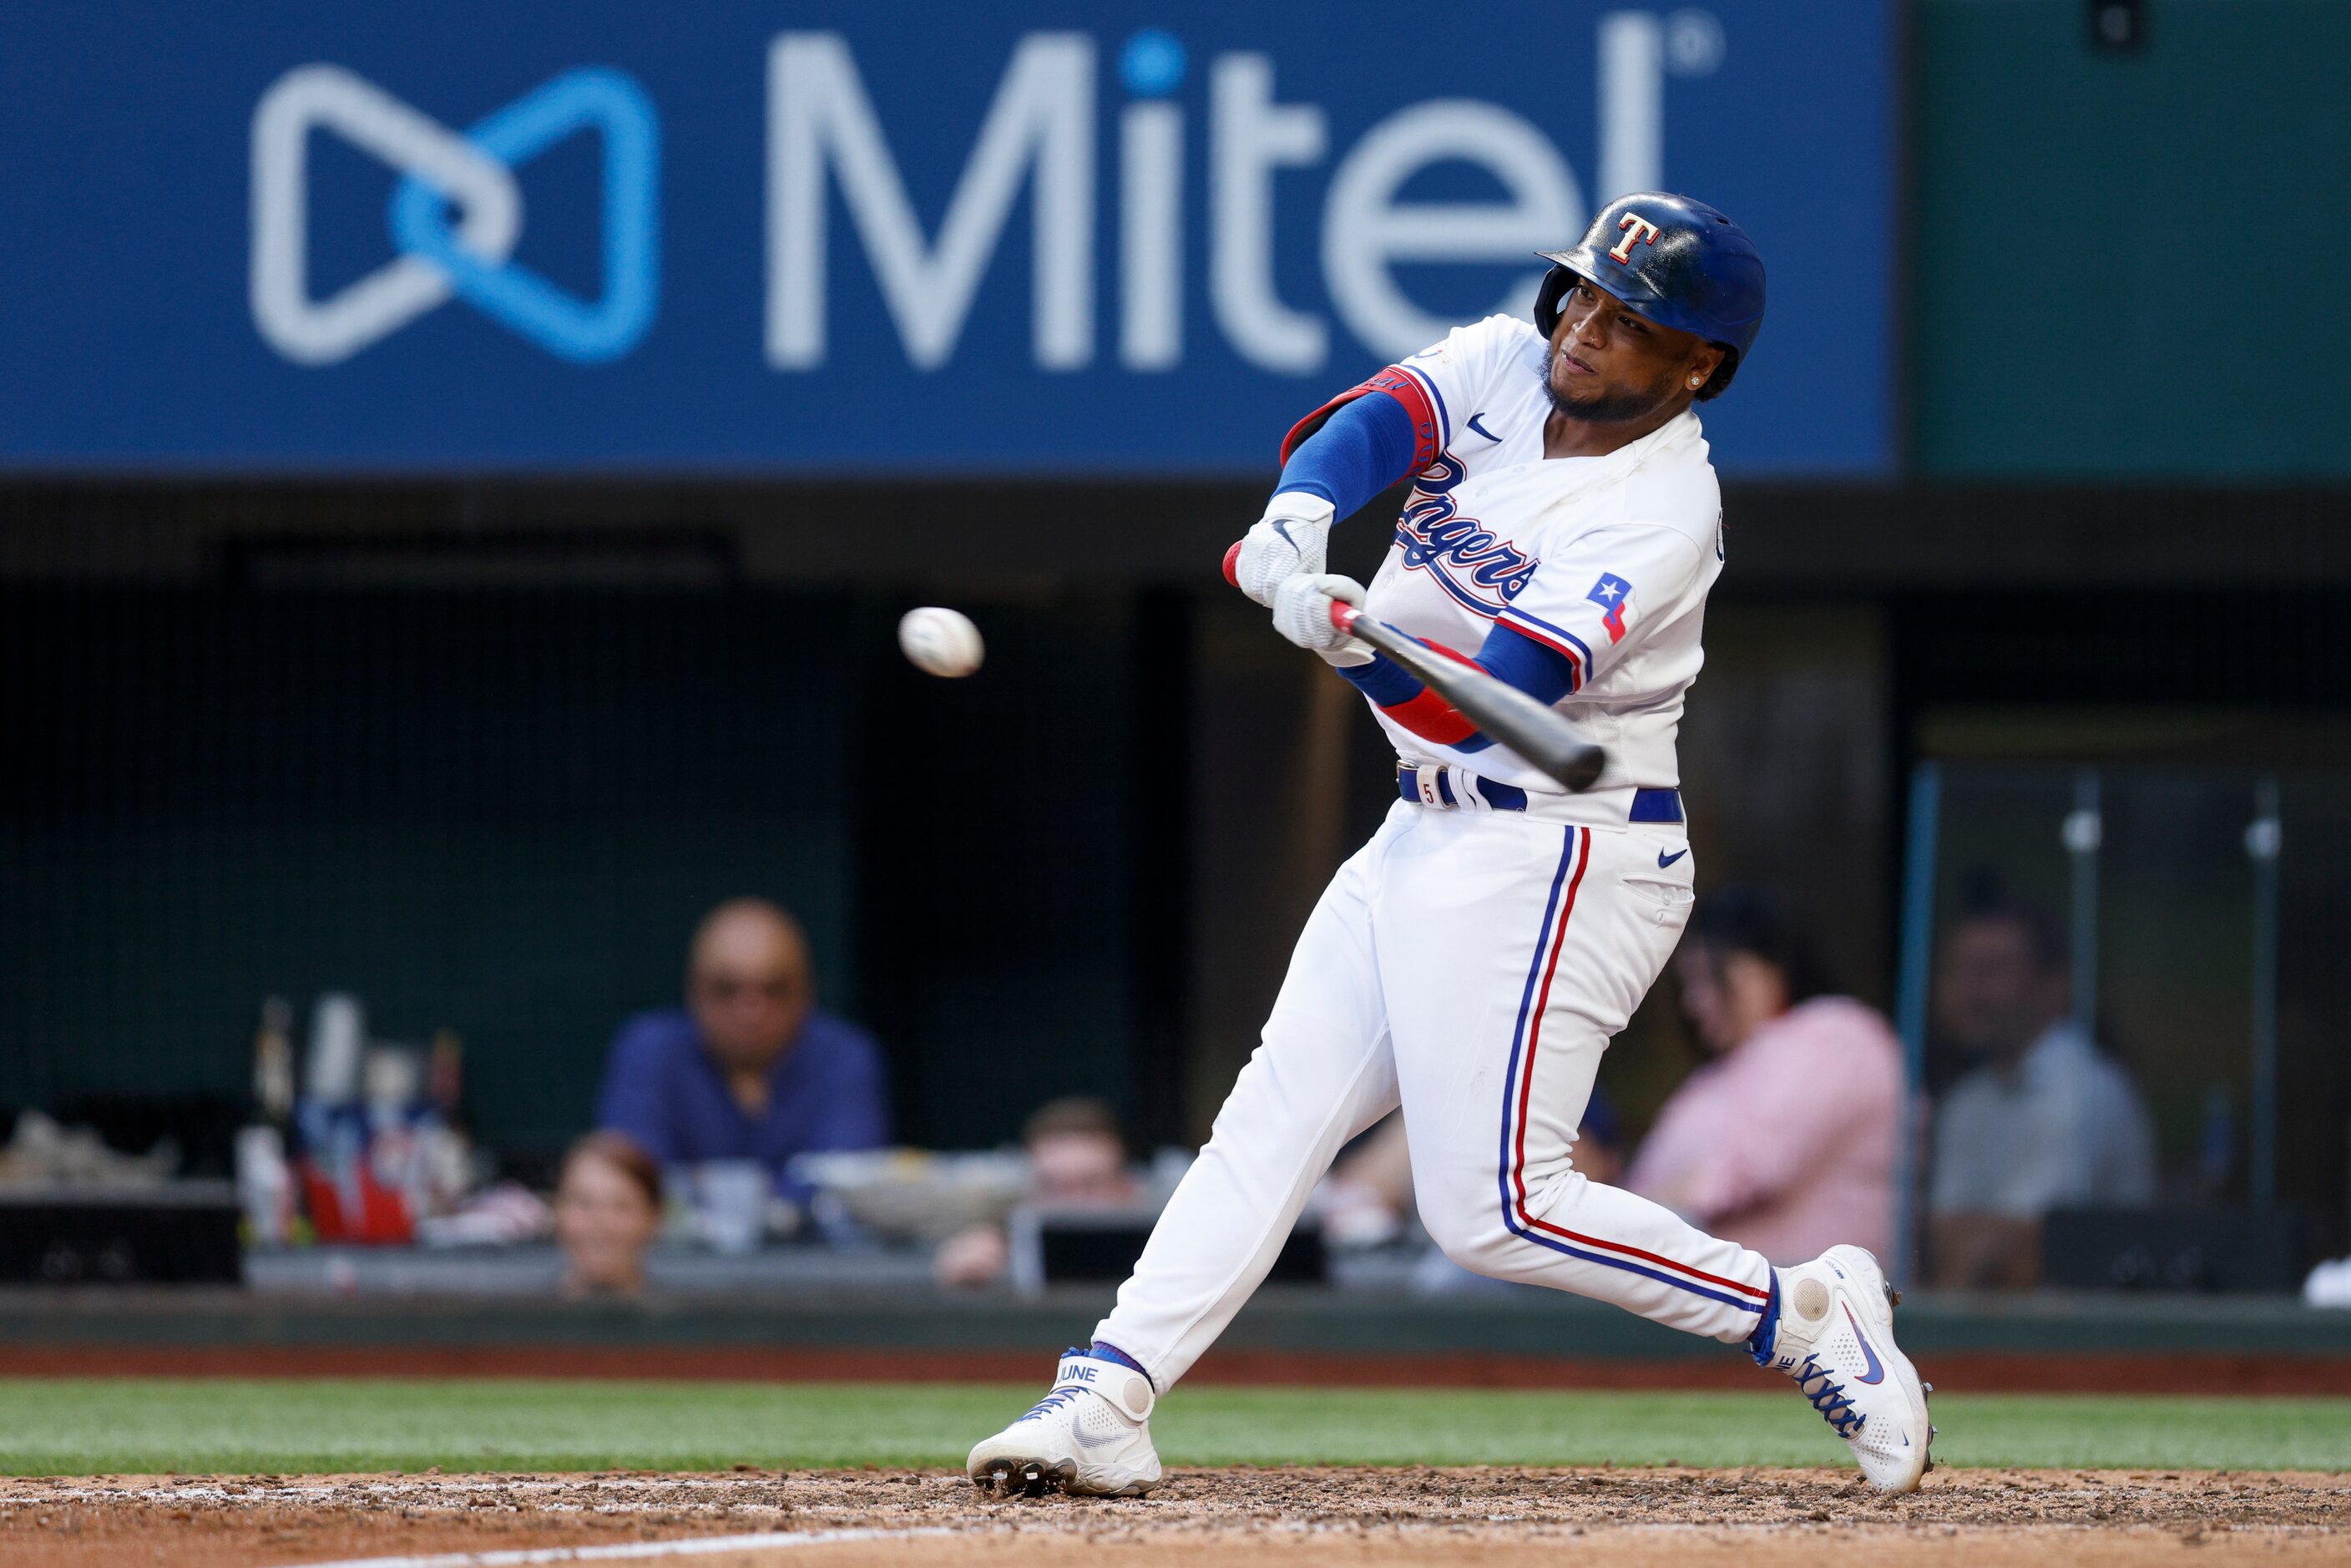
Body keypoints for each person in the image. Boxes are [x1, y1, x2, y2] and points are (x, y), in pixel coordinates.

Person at [966, 195, 1933, 1500]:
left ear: (1698, 363)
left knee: (1494, 1211)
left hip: (1564, 853)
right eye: (1584, 293)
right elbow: (1366, 426)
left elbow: (1504, 702)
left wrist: (1350, 646)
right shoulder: (1505, 360)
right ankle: (1109, 1391)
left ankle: (1802, 1312)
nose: (1585, 328)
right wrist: (1302, 521)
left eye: (1629, 318)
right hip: (1424, 829)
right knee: (1272, 1116)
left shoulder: (1662, 512)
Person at [1625, 891, 1903, 1264]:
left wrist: (1644, 1213)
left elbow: (1754, 1168)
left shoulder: (1836, 1032)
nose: (1695, 1002)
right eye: (1690, 983)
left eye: (1712, 977)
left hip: (1810, 1307)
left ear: (1771, 968)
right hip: (1719, 1301)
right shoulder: (1722, 1073)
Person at [595, 898, 889, 1207]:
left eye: (774, 989)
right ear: (693, 990)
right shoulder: (650, 1049)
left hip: (819, 1257)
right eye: (727, 989)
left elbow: (845, 1187)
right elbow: (633, 1181)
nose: (751, 1012)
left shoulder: (845, 1057)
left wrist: (704, 1189)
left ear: (806, 993)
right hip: (669, 1257)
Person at [1928, 897, 2156, 1288]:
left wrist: (1985, 1248)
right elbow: (1942, 1235)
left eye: (1992, 971)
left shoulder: (2087, 1089)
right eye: (1959, 970)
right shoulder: (1967, 1099)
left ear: (2055, 985)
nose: (1969, 991)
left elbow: (2030, 1241)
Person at [935, 1098, 1142, 1287]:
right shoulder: (1001, 1250)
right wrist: (966, 1279)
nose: (1071, 1203)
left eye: (1091, 1184)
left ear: (1127, 1186)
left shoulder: (1159, 1255)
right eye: (1052, 1185)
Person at [553, 1132, 664, 1297]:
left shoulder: (687, 1316)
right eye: (584, 1203)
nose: (600, 1224)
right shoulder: (522, 1314)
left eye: (620, 1207)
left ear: (652, 1218)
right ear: (557, 1210)